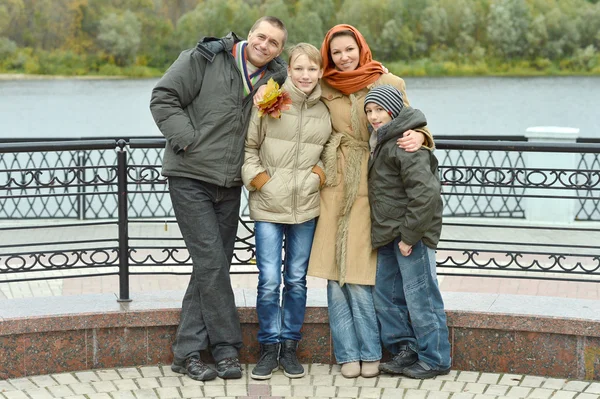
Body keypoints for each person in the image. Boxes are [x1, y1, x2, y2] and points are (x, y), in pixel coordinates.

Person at [149, 16, 288, 382]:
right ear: (250, 35)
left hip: (229, 184)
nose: (265, 45)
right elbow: (163, 98)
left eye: (274, 42)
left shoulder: (274, 77)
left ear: (279, 49)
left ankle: (187, 353)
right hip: (190, 176)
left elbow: (306, 77)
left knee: (212, 265)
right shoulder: (205, 58)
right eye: (261, 36)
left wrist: (279, 78)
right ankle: (224, 349)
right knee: (211, 262)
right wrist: (188, 140)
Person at [306, 24, 434, 379]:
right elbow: (295, 91)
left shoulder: (388, 82)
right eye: (336, 53)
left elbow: (412, 122)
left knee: (364, 272)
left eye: (349, 49)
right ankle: (347, 353)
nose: (343, 58)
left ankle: (373, 352)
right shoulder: (325, 84)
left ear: (361, 48)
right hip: (333, 182)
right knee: (333, 273)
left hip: (373, 182)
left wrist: (420, 137)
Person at [242, 43, 332, 380]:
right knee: (268, 281)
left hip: (306, 207)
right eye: (299, 68)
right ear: (289, 70)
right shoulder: (269, 100)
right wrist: (260, 180)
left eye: (312, 69)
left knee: (295, 280)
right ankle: (268, 348)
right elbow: (249, 148)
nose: (305, 75)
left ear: (320, 72)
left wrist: (318, 176)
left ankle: (290, 347)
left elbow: (329, 150)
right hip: (267, 206)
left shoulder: (326, 108)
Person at [364, 84, 451, 379]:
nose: (374, 116)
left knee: (421, 298)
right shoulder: (383, 140)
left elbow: (426, 194)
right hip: (390, 234)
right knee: (386, 297)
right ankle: (407, 350)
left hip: (410, 236)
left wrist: (409, 237)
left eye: (380, 110)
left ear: (394, 110)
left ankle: (435, 358)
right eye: (369, 111)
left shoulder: (405, 143)